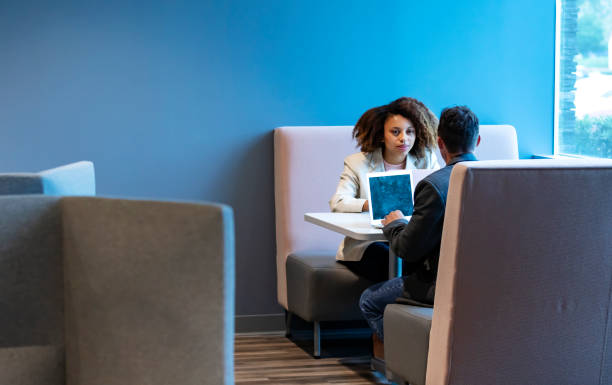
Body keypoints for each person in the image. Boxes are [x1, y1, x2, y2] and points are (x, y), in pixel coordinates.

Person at [359, 105, 481, 359]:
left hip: (440, 286)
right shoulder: (499, 179)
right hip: (484, 283)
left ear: (440, 143)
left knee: (369, 301)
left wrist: (395, 224)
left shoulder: (435, 186)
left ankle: (412, 362)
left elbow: (407, 249)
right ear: (478, 140)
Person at [329, 97, 440, 283]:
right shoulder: (357, 163)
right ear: (381, 134)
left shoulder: (426, 160)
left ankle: (396, 302)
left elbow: (438, 198)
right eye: (395, 132)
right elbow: (338, 202)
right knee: (388, 256)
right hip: (368, 244)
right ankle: (388, 303)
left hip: (409, 238)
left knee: (422, 253)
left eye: (410, 132)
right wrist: (373, 203)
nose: (404, 138)